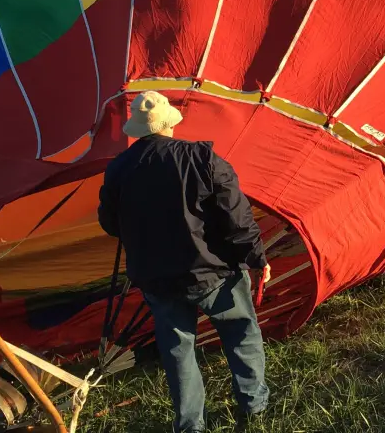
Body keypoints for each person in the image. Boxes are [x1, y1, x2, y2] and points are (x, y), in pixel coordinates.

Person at [97, 90, 271, 432]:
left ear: (138, 128)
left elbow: (109, 223)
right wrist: (255, 257)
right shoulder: (202, 159)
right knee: (241, 335)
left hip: (157, 279)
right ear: (170, 124)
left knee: (178, 352)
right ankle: (255, 409)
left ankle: (190, 426)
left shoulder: (118, 169)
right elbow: (236, 217)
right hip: (214, 273)